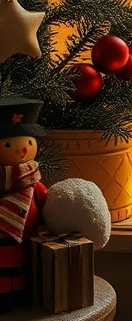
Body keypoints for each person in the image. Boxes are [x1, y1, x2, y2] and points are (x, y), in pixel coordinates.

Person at [0, 97, 47, 311]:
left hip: (26, 259)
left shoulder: (33, 185)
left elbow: (49, 204)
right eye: (8, 144)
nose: (23, 150)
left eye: (29, 143)